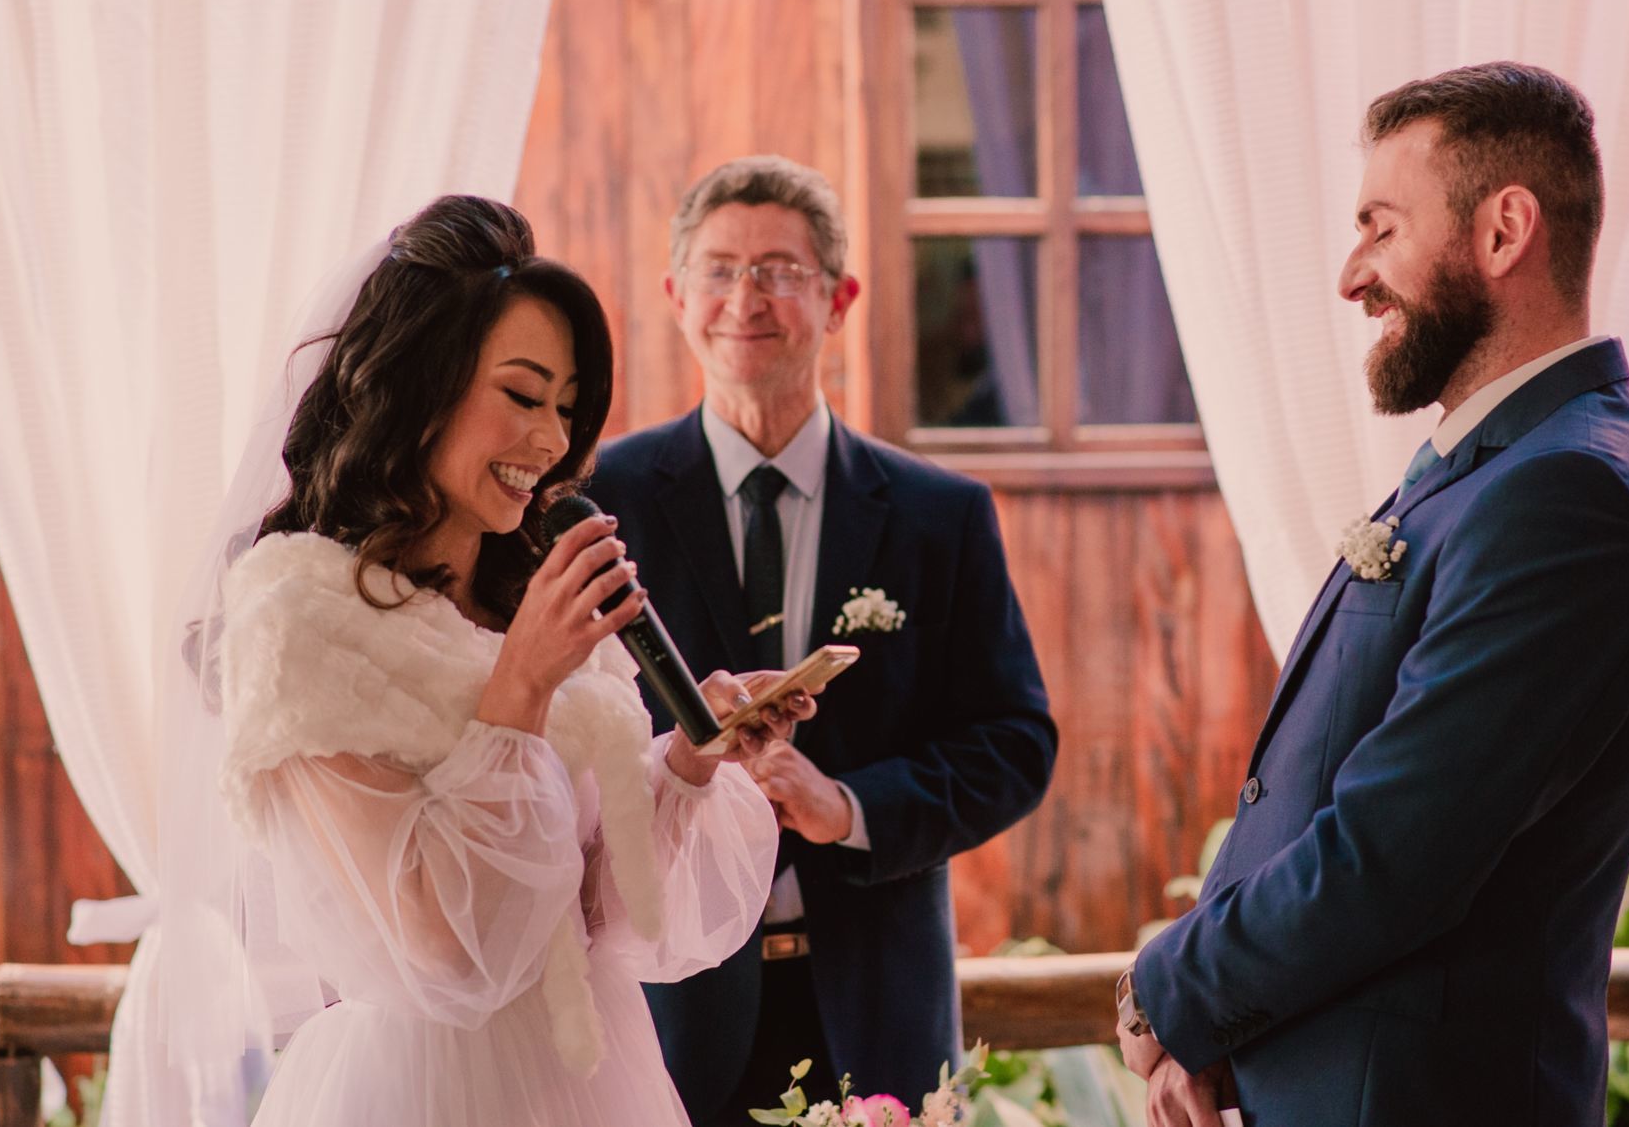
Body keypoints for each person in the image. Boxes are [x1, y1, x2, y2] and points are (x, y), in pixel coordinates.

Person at [1116, 63, 1629, 1127]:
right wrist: (1215, 1039)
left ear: (1502, 232)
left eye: (1381, 229)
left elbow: (1393, 849)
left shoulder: (1569, 496)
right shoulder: (1504, 464)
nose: (1353, 276)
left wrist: (1167, 991)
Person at [212, 195, 808, 1125]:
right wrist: (521, 685)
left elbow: (604, 919)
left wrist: (694, 756)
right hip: (422, 1089)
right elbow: (448, 951)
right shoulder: (302, 622)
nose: (552, 441)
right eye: (524, 396)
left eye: (568, 409)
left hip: (597, 1076)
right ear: (420, 387)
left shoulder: (538, 602)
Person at [587, 155, 1059, 1122]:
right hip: (663, 1009)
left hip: (877, 1003)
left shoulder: (941, 515)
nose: (744, 297)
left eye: (778, 270)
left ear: (838, 299)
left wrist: (848, 804)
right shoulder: (605, 503)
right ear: (678, 297)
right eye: (718, 270)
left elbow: (1016, 741)